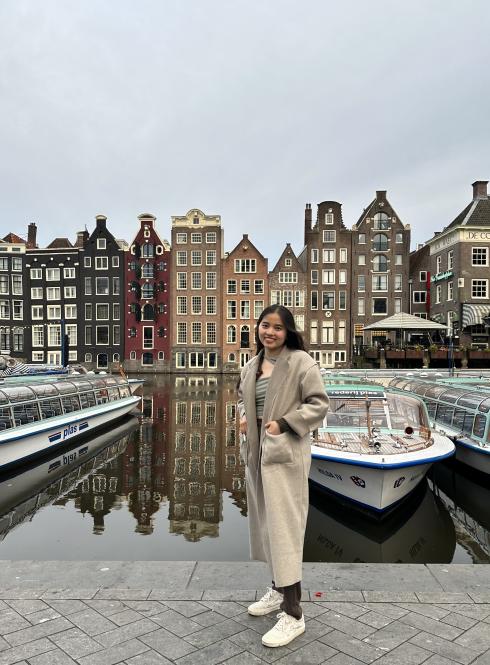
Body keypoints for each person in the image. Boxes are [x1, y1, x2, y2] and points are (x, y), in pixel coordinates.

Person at [237, 304, 329, 648]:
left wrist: (284, 423)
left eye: (277, 328)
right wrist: (245, 416)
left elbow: (319, 404)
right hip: (258, 455)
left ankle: (294, 614)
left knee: (285, 530)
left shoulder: (300, 362)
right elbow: (243, 399)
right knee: (265, 526)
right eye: (265, 326)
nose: (270, 332)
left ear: (288, 332)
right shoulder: (250, 366)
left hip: (284, 454)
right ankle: (277, 591)